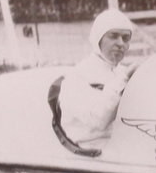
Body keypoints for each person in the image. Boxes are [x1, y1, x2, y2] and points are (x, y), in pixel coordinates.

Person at [58, 8, 137, 149]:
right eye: (113, 36)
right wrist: (124, 79)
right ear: (98, 38)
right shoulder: (77, 76)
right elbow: (98, 119)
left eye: (126, 38)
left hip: (122, 149)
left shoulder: (122, 72)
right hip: (90, 154)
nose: (121, 43)